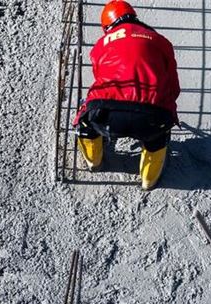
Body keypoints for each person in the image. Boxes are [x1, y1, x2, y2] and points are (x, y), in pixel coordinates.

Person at [73, 0, 180, 190]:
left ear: (107, 26)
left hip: (107, 113)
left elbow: (100, 78)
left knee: (85, 122)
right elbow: (173, 87)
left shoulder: (100, 45)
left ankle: (94, 161)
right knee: (157, 137)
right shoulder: (161, 41)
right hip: (151, 116)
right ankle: (149, 180)